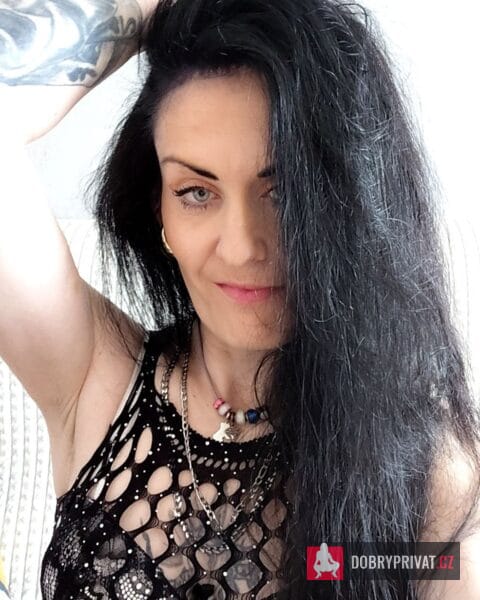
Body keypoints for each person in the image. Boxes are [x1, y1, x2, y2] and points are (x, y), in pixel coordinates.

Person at [1, 0, 480, 598]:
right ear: (160, 212)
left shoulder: (423, 474)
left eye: (283, 193)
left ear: (349, 203)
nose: (242, 247)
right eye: (196, 192)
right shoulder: (91, 377)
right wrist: (157, 8)